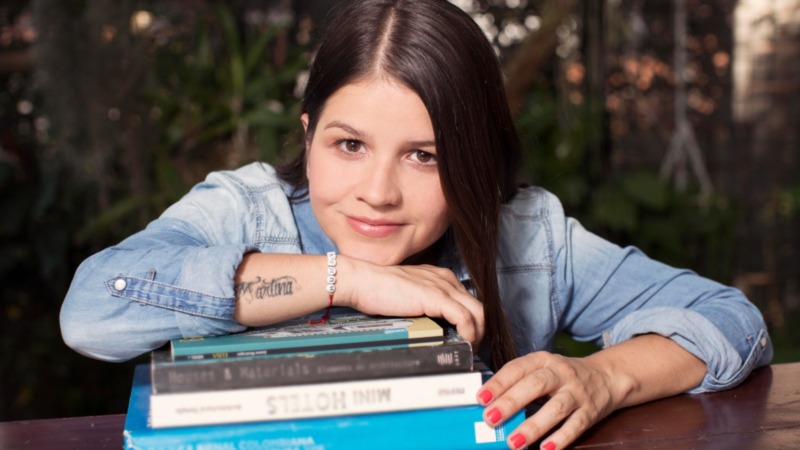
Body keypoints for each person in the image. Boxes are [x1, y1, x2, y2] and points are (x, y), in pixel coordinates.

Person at [60, 0, 772, 449]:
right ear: (307, 135)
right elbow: (94, 308)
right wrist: (345, 279)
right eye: (348, 145)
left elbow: (730, 320)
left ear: (475, 160)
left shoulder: (527, 236)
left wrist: (602, 377)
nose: (377, 194)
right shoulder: (244, 209)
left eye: (425, 156)